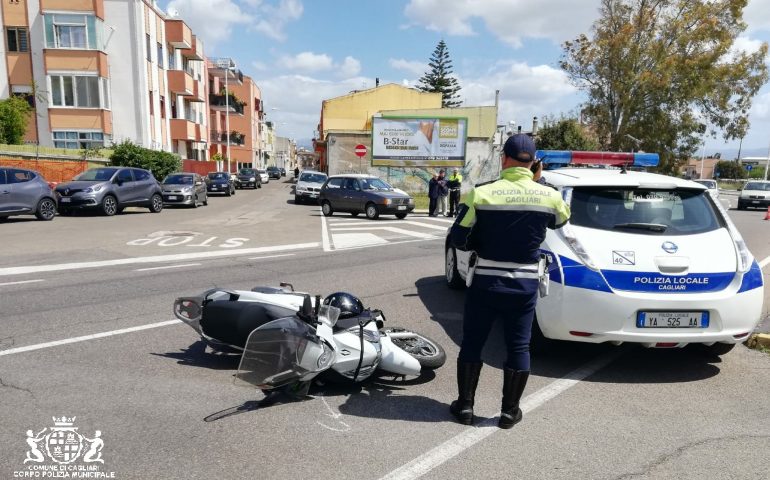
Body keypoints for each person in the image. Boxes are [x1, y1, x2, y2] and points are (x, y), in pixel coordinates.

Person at [448, 134, 570, 429]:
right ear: (534, 164)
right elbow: (561, 221)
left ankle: (465, 407)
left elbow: (457, 237)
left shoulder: (482, 192)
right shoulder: (550, 195)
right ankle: (508, 412)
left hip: (485, 282)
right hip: (525, 284)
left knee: (473, 343)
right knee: (519, 347)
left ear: (504, 159)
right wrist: (537, 184)